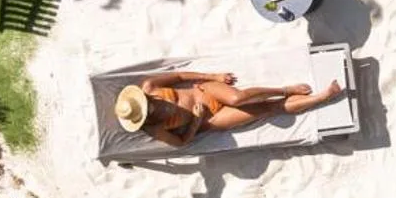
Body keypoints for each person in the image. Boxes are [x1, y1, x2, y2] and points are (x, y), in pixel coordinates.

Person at [113, 71, 344, 148]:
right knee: (267, 110)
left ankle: (283, 89)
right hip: (210, 119)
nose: (150, 106)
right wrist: (195, 120)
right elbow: (181, 143)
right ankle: (324, 96)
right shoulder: (154, 129)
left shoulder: (150, 86)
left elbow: (181, 76)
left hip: (203, 91)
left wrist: (212, 76)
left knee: (238, 97)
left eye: (145, 102)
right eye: (146, 110)